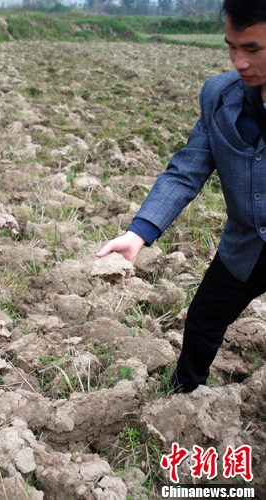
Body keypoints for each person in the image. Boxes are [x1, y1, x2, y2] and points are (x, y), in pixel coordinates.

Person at [96, 0, 266, 394]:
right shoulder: (219, 97)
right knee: (204, 319)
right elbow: (187, 168)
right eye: (232, 47)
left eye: (252, 48)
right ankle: (182, 396)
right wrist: (138, 232)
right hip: (245, 246)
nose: (239, 61)